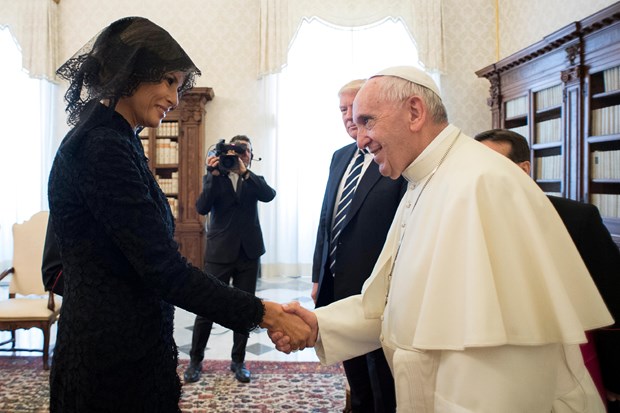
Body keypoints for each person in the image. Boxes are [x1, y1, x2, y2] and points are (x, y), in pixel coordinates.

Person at [272, 66, 613, 412]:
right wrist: (321, 325)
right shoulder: (423, 180)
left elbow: (497, 364)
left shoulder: (482, 183)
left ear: (415, 112)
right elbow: (398, 304)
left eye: (368, 121)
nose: (360, 140)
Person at [47, 17, 308, 413]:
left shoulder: (116, 137)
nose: (174, 96)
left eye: (179, 85)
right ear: (131, 72)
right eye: (168, 81)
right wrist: (264, 313)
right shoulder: (102, 146)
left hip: (127, 343)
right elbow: (164, 271)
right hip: (110, 359)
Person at [474, 128, 620, 412]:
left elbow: (611, 299)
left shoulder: (577, 218)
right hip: (502, 360)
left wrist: (615, 375)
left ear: (523, 169)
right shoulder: (472, 218)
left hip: (571, 353)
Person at [311, 79, 403, 412]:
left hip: (376, 290)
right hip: (337, 284)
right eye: (342, 110)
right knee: (355, 376)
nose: (349, 116)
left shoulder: (394, 157)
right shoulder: (340, 157)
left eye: (355, 108)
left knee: (382, 380)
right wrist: (318, 276)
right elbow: (327, 219)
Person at [183, 135, 276, 384]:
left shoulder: (253, 179)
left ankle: (238, 361)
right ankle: (195, 361)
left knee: (245, 310)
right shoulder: (215, 176)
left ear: (251, 155)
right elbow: (202, 207)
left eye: (246, 150)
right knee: (206, 307)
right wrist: (212, 175)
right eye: (237, 150)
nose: (242, 154)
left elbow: (269, 195)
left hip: (248, 253)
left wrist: (244, 172)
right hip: (220, 253)